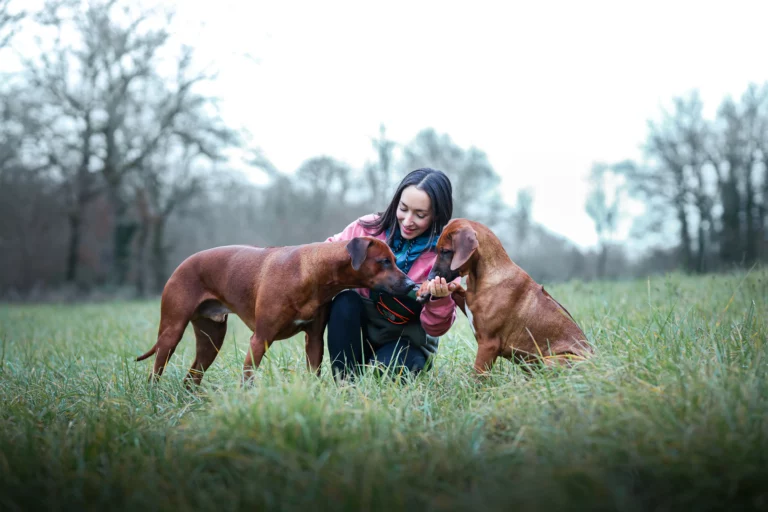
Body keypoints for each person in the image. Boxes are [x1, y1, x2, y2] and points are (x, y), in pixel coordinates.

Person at [325, 168, 460, 380]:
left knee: (385, 375)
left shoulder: (445, 258)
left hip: (406, 343)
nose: (407, 221)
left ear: (437, 214)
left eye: (420, 215)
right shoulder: (365, 230)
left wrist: (440, 300)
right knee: (345, 301)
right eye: (403, 209)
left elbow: (436, 329)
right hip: (361, 335)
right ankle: (344, 382)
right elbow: (324, 256)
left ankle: (389, 368)